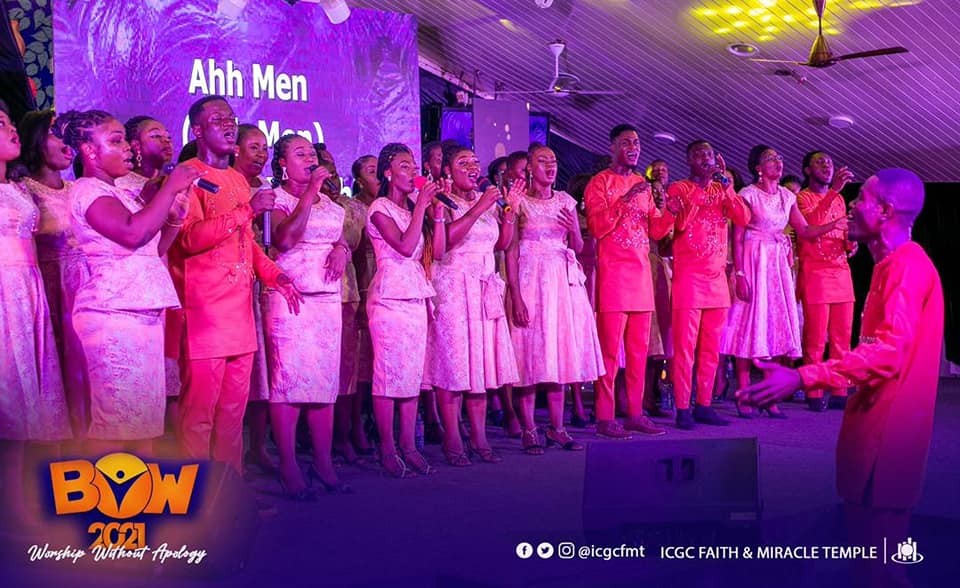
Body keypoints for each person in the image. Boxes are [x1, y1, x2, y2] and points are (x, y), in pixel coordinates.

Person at [738, 168, 943, 588]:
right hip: (872, 433)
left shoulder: (907, 268)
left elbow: (889, 353)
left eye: (861, 197)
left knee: (881, 571)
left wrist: (803, 377)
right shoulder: (889, 266)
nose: (851, 204)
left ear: (885, 211)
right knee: (866, 565)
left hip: (888, 442)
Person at [175, 96, 302, 472]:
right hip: (205, 314)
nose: (229, 125)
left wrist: (275, 274)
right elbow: (189, 239)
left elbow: (244, 242)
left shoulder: (235, 179)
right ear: (197, 131)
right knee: (199, 415)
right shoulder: (187, 175)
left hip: (239, 314)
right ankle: (196, 495)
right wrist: (248, 210)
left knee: (233, 416)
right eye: (218, 120)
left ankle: (230, 488)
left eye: (231, 118)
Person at [61, 108, 196, 453]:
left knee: (143, 421)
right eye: (116, 141)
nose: (127, 148)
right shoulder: (88, 191)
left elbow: (152, 249)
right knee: (116, 422)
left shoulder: (122, 193)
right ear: (89, 151)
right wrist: (170, 188)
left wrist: (174, 218)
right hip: (112, 315)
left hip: (139, 311)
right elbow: (132, 233)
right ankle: (104, 487)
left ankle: (141, 485)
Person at [721, 145, 844, 418]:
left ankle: (769, 396)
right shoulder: (748, 194)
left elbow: (805, 230)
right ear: (758, 168)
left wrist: (833, 225)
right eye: (770, 159)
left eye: (779, 157)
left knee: (775, 327)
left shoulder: (788, 196)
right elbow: (737, 238)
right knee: (749, 327)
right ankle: (744, 394)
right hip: (754, 260)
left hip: (777, 264)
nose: (778, 162)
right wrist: (740, 275)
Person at [264, 134, 350, 498]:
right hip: (291, 299)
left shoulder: (330, 202)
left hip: (326, 299)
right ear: (283, 163)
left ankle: (323, 463)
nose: (309, 158)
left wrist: (342, 250)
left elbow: (338, 238)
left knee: (323, 383)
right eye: (300, 153)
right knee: (289, 382)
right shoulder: (277, 199)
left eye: (312, 153)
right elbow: (284, 240)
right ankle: (288, 465)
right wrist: (310, 191)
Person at [423, 144, 520, 466]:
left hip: (483, 286)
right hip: (452, 287)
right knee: (453, 365)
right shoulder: (440, 200)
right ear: (448, 170)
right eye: (463, 162)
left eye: (475, 162)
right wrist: (479, 208)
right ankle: (452, 436)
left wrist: (509, 216)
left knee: (480, 365)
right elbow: (445, 242)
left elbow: (501, 244)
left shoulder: (487, 199)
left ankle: (479, 436)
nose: (472, 167)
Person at [0, 100, 70, 528]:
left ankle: (25, 499)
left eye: (10, 121)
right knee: (9, 394)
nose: (10, 128)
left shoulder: (18, 188)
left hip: (28, 291)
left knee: (31, 394)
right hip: (3, 294)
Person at [506, 144, 602, 454]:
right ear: (529, 167)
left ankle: (558, 428)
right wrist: (515, 295)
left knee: (559, 353)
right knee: (530, 354)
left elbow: (577, 247)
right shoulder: (520, 202)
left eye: (553, 160)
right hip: (530, 280)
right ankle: (530, 429)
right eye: (542, 160)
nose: (550, 165)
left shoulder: (565, 201)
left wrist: (574, 228)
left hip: (561, 283)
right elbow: (510, 250)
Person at [584, 124, 675, 438]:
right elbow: (597, 228)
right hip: (613, 277)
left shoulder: (641, 184)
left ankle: (635, 414)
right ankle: (605, 417)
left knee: (639, 353)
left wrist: (670, 212)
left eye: (636, 142)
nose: (633, 147)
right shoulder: (600, 183)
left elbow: (656, 231)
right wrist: (625, 199)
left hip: (641, 278)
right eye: (626, 142)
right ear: (612, 147)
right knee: (610, 354)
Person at [367, 143, 445, 477]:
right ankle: (387, 448)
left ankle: (409, 445)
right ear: (387, 173)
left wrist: (436, 214)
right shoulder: (379, 208)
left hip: (415, 294)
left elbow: (436, 251)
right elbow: (403, 246)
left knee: (413, 374)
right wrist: (421, 206)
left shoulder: (415, 207)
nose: (412, 171)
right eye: (404, 166)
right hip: (390, 296)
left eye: (413, 166)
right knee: (389, 373)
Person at [663, 140, 751, 430]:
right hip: (689, 279)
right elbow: (680, 225)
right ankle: (682, 407)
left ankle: (703, 404)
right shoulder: (679, 188)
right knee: (685, 349)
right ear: (689, 160)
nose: (706, 158)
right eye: (699, 154)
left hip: (717, 280)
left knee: (711, 349)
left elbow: (743, 217)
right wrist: (703, 190)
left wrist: (727, 187)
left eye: (710, 154)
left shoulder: (721, 189)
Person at [15, 110, 88, 438]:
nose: (67, 141)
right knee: (63, 369)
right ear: (35, 139)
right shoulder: (24, 191)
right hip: (53, 290)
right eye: (57, 133)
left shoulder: (80, 189)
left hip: (90, 289)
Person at [229, 123, 276, 474]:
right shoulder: (224, 183)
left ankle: (258, 448)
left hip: (261, 282)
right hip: (228, 284)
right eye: (254, 147)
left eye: (265, 148)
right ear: (235, 149)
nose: (261, 154)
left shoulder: (266, 188)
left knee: (261, 372)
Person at [796, 151, 857, 411]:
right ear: (807, 170)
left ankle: (840, 389)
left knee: (842, 338)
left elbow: (843, 231)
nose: (827, 165)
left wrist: (851, 242)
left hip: (841, 273)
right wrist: (833, 191)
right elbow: (810, 227)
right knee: (816, 340)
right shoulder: (802, 198)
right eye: (820, 162)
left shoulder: (839, 199)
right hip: (817, 274)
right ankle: (814, 391)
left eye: (830, 162)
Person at [345, 155, 379, 454]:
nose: (378, 176)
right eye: (371, 172)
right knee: (360, 362)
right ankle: (355, 424)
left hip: (394, 277)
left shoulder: (399, 203)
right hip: (366, 278)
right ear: (358, 180)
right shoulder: (354, 208)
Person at [645, 158, 675, 417]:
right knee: (644, 337)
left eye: (660, 192)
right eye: (652, 192)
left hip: (661, 274)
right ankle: (637, 397)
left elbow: (667, 246)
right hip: (640, 269)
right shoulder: (641, 212)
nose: (657, 196)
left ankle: (653, 394)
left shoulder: (665, 215)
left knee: (661, 339)